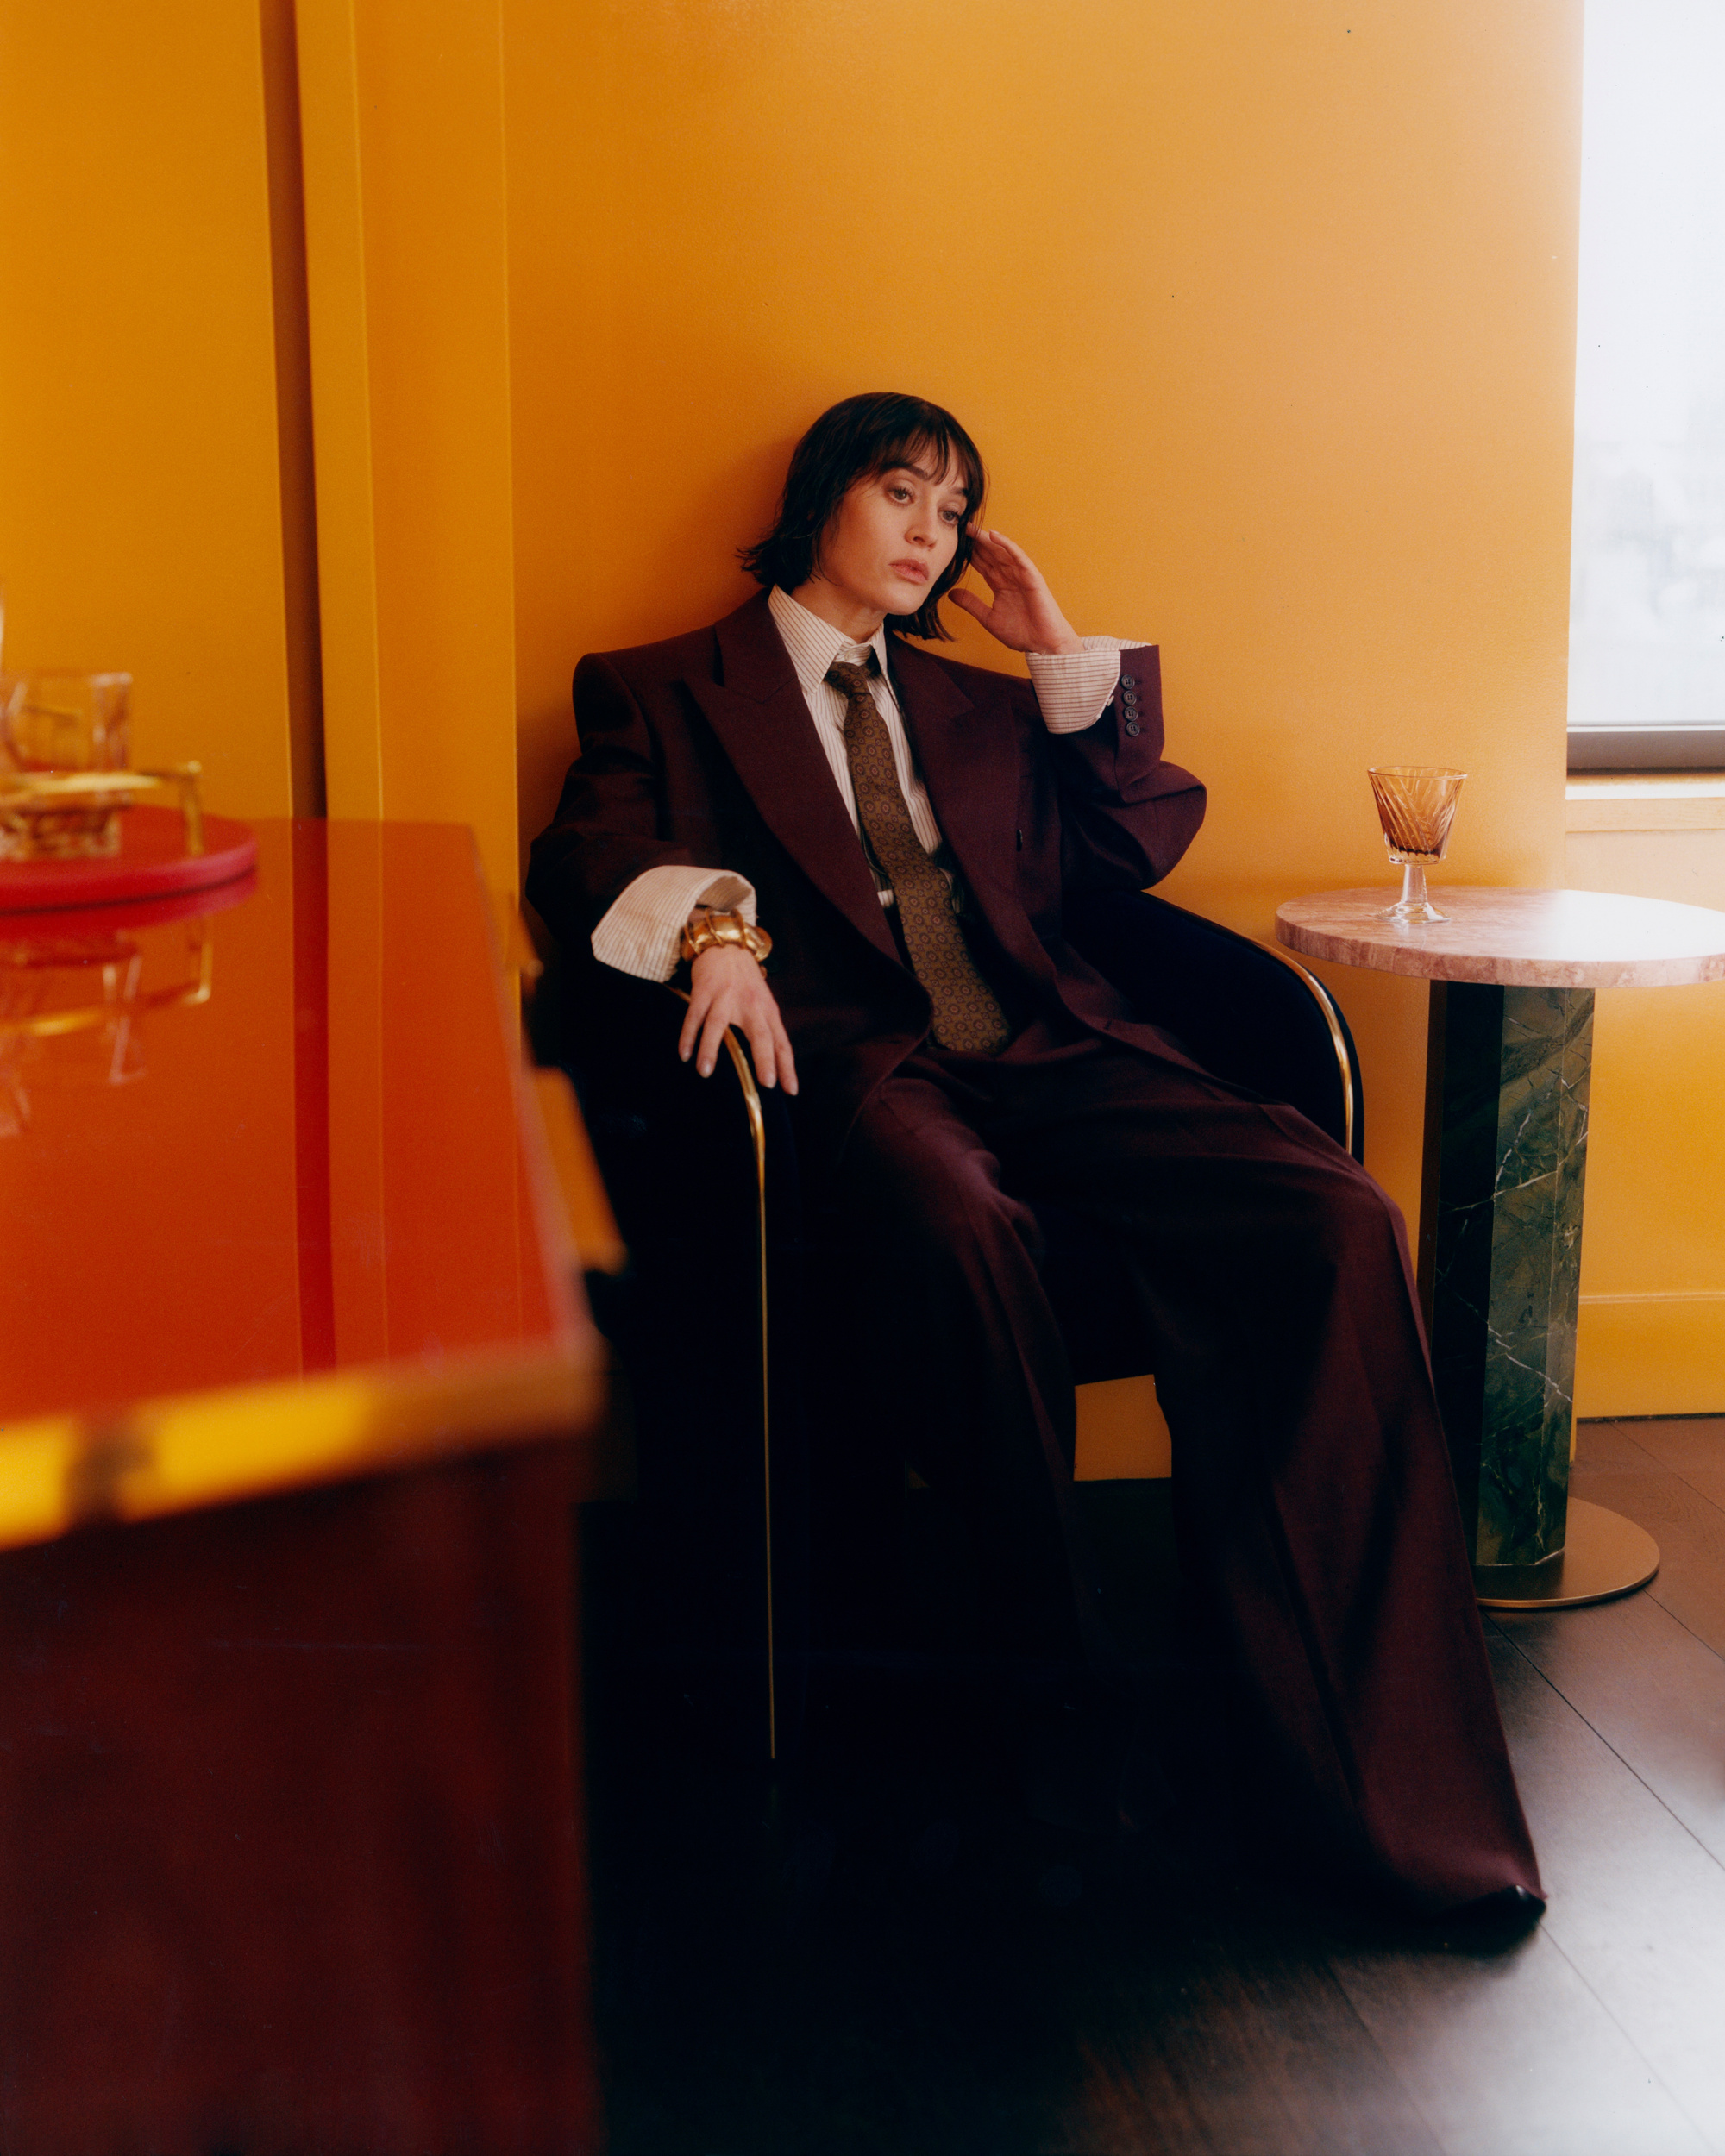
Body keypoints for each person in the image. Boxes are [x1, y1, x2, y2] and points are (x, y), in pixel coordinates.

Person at [528, 392, 1542, 1920]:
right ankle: (1056, 1706)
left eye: (955, 512)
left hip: (1049, 1049)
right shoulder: (666, 686)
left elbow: (1132, 845)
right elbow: (589, 854)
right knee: (961, 1227)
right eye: (902, 493)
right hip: (860, 1070)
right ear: (820, 498)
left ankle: (1368, 1756)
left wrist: (1057, 651)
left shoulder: (980, 705)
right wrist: (717, 930)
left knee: (1335, 1213)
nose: (931, 534)